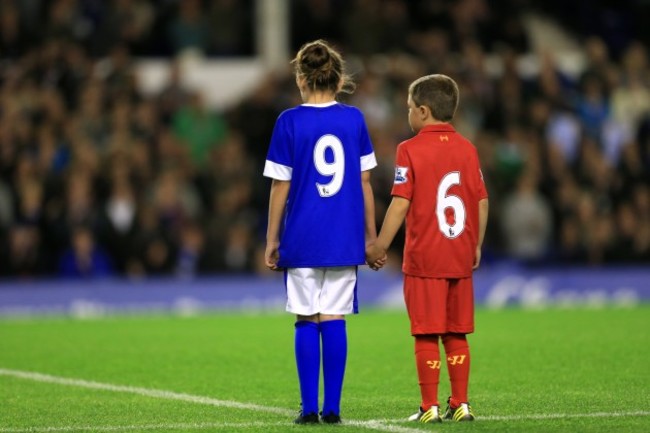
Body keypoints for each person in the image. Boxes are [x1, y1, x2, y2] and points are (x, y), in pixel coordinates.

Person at [263, 40, 378, 425]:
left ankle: (308, 408)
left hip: (302, 237)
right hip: (343, 238)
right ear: (339, 77)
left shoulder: (288, 122)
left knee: (305, 318)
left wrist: (271, 239)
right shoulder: (354, 120)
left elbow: (280, 187)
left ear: (300, 79)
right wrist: (371, 236)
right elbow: (364, 183)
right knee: (334, 317)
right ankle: (333, 408)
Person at [366, 74, 489, 423]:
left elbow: (401, 203)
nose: (407, 114)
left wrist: (379, 245)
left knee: (425, 331)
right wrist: (476, 245)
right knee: (456, 330)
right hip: (460, 254)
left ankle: (429, 407)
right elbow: (481, 202)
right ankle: (461, 403)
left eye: (408, 108)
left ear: (422, 111)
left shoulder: (409, 149)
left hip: (425, 258)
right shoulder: (468, 149)